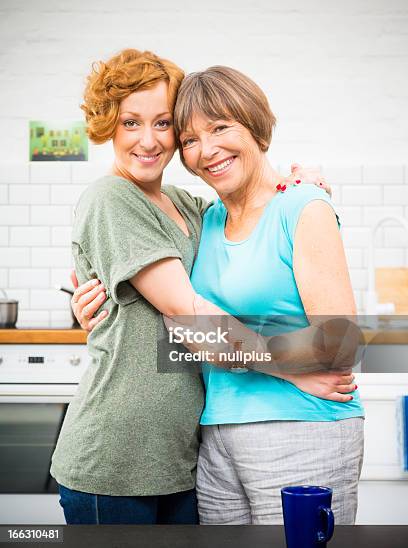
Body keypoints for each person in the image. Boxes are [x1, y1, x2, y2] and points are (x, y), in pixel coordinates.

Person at [59, 48, 358, 525]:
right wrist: (292, 369)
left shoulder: (192, 206)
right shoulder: (111, 197)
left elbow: (259, 219)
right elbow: (189, 313)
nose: (149, 140)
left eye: (163, 124)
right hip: (119, 453)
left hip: (184, 452)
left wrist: (303, 184)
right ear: (107, 125)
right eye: (130, 122)